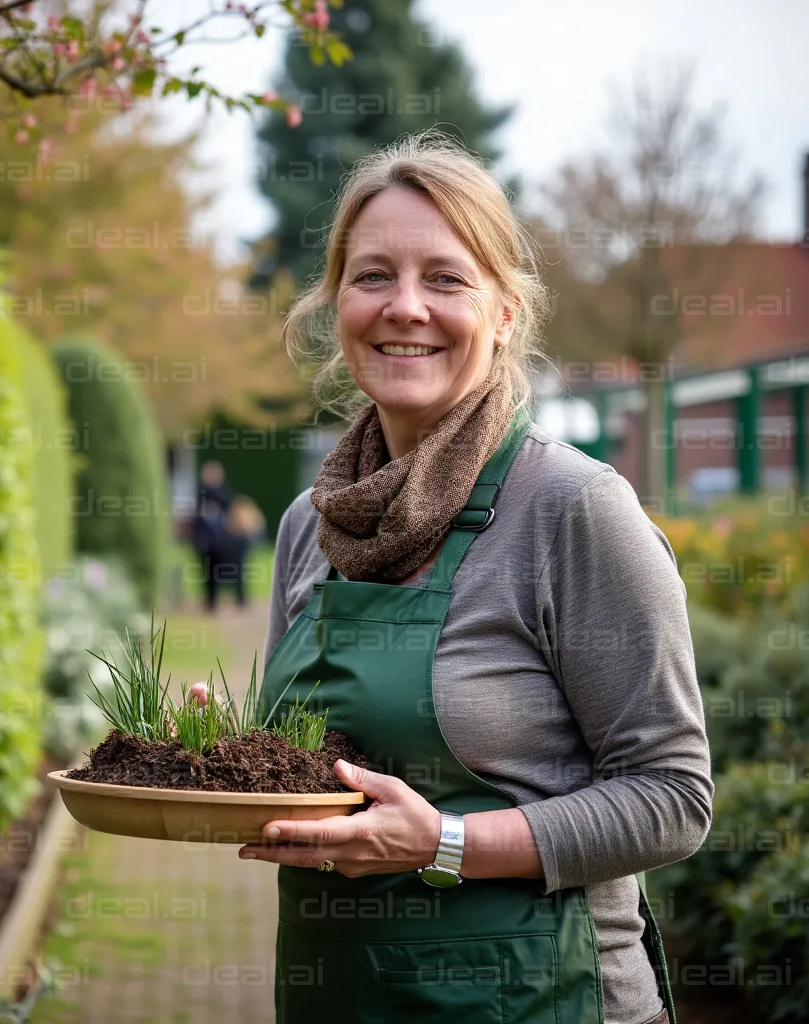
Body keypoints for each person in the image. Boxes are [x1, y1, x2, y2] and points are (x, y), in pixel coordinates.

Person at [235, 131, 712, 1024]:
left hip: (546, 998)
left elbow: (674, 797)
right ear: (336, 303)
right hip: (341, 996)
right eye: (372, 275)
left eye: (446, 279)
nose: (404, 306)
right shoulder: (312, 524)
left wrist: (446, 843)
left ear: (503, 312)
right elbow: (320, 778)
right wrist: (215, 761)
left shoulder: (574, 510)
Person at [191, 461, 234, 612]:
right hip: (206, 539)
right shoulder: (201, 491)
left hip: (219, 538)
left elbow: (229, 513)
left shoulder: (224, 491)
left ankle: (216, 599)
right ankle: (209, 600)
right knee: (207, 571)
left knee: (218, 570)